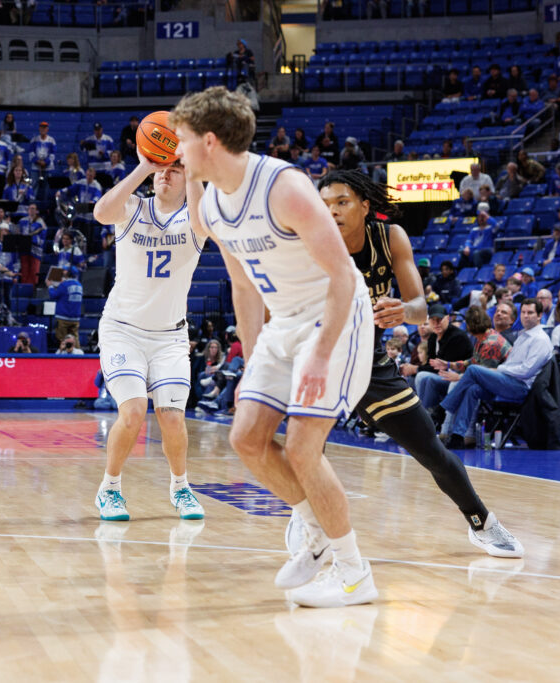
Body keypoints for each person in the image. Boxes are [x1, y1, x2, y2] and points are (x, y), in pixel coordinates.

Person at [175, 87, 379, 607]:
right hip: (283, 322)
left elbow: (343, 278)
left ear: (211, 142)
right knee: (245, 438)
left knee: (303, 448)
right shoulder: (216, 204)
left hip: (334, 317)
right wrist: (250, 358)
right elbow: (243, 287)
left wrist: (319, 352)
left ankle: (355, 574)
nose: (177, 150)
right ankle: (313, 527)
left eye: (183, 140)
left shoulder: (283, 187)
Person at [305, 171, 522, 555]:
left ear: (365, 206)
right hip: (315, 359)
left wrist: (403, 310)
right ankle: (307, 529)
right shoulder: (307, 242)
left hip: (366, 364)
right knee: (303, 452)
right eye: (325, 205)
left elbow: (422, 308)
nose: (332, 211)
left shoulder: (390, 239)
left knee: (430, 450)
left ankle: (481, 522)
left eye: (342, 202)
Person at [91, 148, 208, 524]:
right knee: (134, 410)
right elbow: (100, 213)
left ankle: (181, 487)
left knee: (172, 417)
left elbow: (205, 217)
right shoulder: (133, 209)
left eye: (174, 170)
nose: (165, 175)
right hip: (122, 330)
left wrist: (192, 169)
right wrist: (145, 165)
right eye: (162, 169)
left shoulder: (194, 219)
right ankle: (109, 489)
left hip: (170, 337)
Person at [438, 301, 553, 446]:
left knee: (474, 370)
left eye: (530, 313)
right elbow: (509, 364)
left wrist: (500, 369)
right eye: (523, 312)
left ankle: (441, 410)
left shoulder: (540, 339)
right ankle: (458, 436)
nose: (526, 316)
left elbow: (526, 371)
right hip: (506, 382)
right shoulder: (522, 336)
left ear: (540, 316)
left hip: (521, 388)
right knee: (472, 390)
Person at [47, 266, 83, 349]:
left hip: (63, 317)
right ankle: (79, 356)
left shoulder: (64, 285)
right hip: (75, 318)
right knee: (75, 339)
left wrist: (50, 286)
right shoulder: (79, 285)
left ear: (67, 273)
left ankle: (63, 357)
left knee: (62, 339)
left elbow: (53, 295)